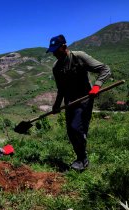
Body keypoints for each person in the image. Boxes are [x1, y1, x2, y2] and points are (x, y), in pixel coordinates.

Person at [46, 34, 111, 171]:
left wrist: (96, 86)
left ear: (64, 47)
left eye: (56, 50)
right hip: (70, 101)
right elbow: (61, 89)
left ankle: (82, 159)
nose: (54, 54)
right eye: (53, 51)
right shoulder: (56, 67)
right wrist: (57, 105)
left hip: (84, 98)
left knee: (77, 128)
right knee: (71, 131)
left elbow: (105, 69)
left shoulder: (79, 56)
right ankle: (80, 156)